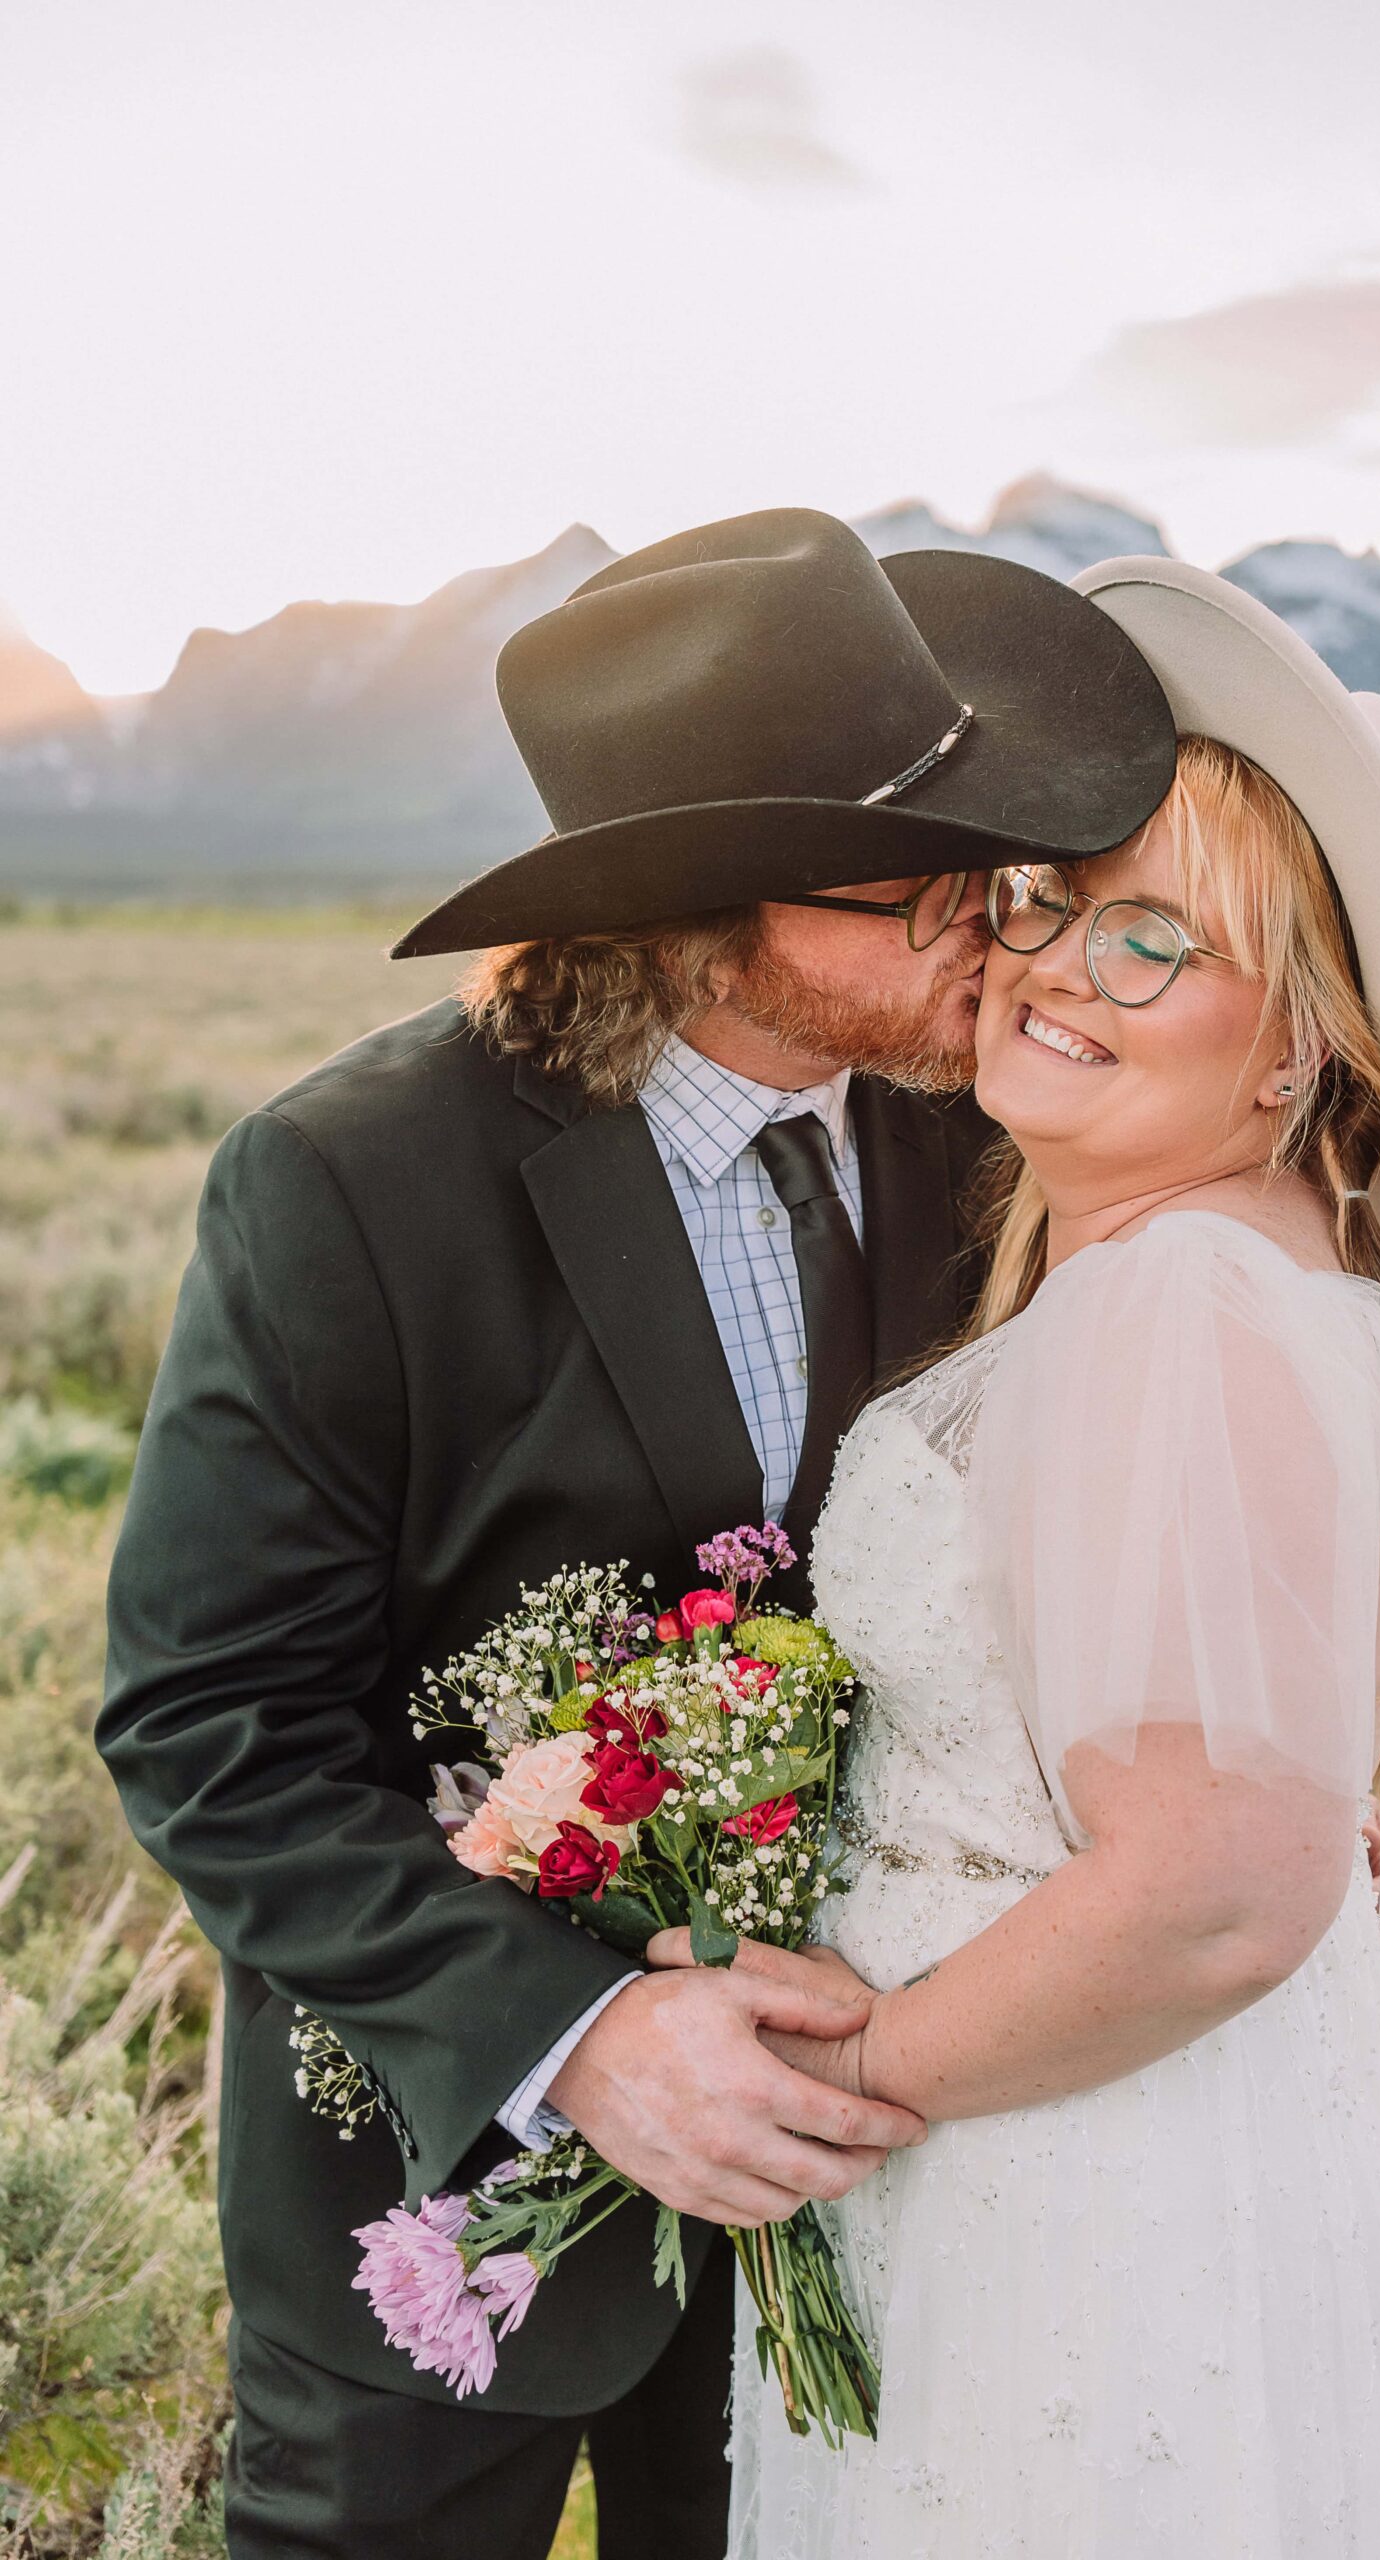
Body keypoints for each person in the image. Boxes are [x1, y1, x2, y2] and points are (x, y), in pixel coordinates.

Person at [95, 508, 1178, 2560]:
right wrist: (576, 2036)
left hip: (869, 2158)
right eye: (936, 888)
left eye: (1011, 882)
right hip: (440, 2195)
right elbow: (210, 1729)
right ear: (700, 907)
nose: (1000, 937)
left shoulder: (987, 1142)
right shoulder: (350, 1187)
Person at [660, 558, 1380, 2556]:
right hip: (1154, 2163)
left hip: (1090, 2210)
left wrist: (851, 2066)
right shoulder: (1249, 1290)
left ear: (1292, 1050)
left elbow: (1222, 1889)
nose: (1058, 968)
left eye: (1156, 941)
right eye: (1048, 906)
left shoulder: (1181, 1315)